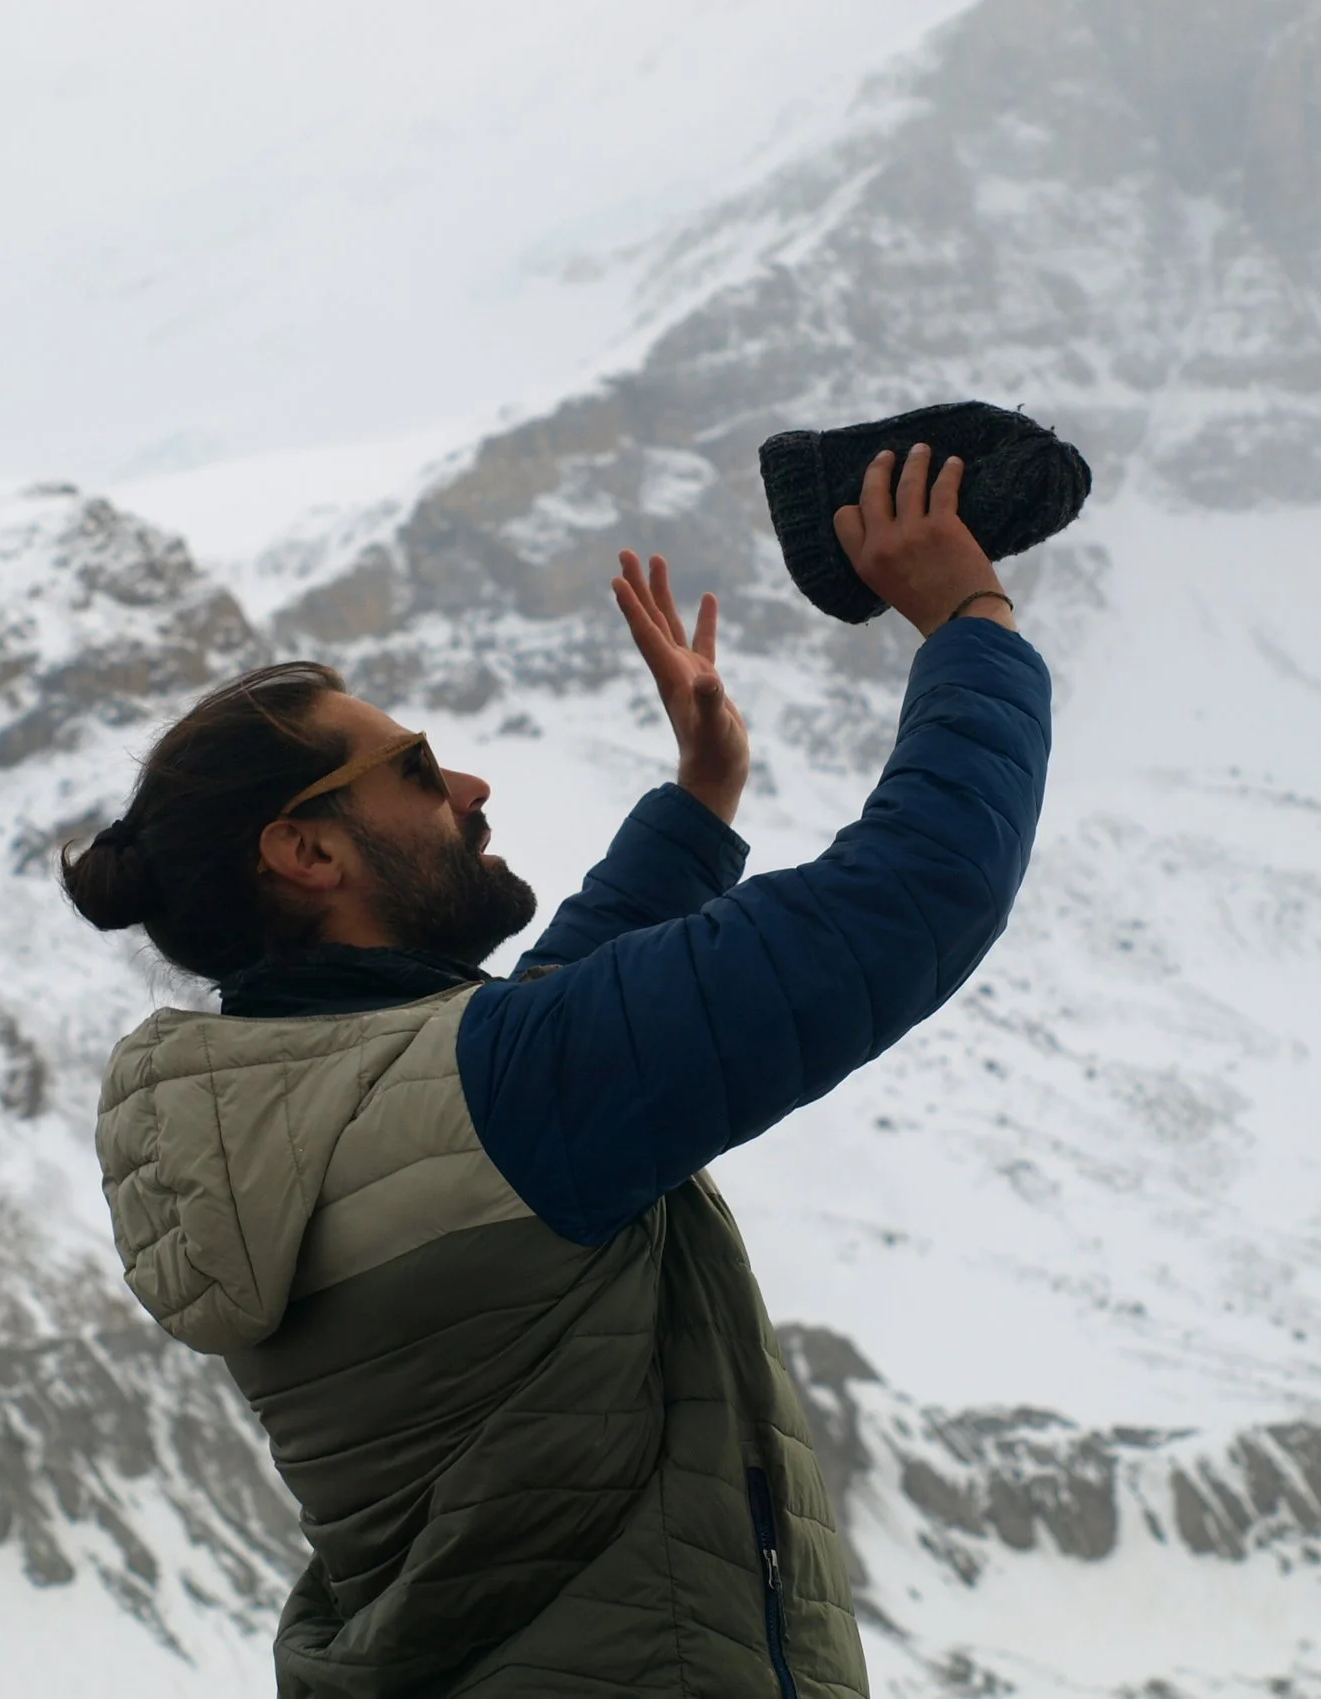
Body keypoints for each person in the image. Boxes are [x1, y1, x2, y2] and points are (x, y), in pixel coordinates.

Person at [68, 448, 1050, 1698]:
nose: (469, 787)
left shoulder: (279, 1122)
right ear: (306, 849)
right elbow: (923, 891)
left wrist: (701, 796)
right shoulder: (509, 1099)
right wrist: (969, 619)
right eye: (418, 770)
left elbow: (512, 1048)